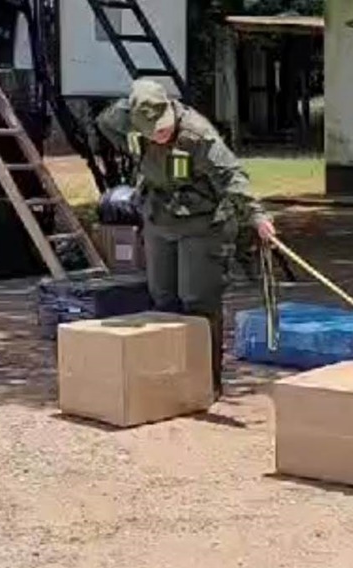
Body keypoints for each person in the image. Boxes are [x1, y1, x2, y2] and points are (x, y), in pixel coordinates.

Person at [96, 78, 277, 399]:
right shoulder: (128, 122)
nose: (160, 133)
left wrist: (257, 216)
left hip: (201, 223)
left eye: (163, 125)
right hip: (158, 217)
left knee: (198, 301)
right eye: (151, 128)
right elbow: (106, 123)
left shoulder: (197, 133)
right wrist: (134, 105)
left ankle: (205, 383)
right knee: (163, 297)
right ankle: (168, 378)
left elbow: (231, 175)